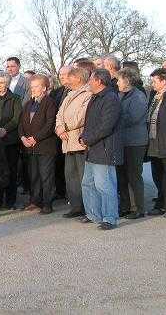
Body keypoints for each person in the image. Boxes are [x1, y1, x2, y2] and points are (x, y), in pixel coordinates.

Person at [79, 69, 122, 230]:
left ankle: (110, 218)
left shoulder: (110, 98)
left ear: (98, 81)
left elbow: (106, 126)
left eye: (91, 79)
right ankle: (93, 214)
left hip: (104, 149)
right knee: (88, 183)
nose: (88, 82)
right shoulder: (95, 97)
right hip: (92, 149)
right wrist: (82, 136)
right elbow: (89, 123)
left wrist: (88, 139)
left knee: (105, 185)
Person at [55, 66, 92, 218]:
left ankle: (87, 208)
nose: (66, 79)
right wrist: (59, 128)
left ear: (78, 78)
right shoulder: (69, 94)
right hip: (67, 141)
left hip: (79, 141)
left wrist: (65, 127)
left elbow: (81, 118)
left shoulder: (88, 94)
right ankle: (76, 207)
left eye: (70, 76)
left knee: (83, 176)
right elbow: (59, 114)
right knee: (70, 176)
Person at [18, 74, 57, 214]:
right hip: (30, 147)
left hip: (45, 146)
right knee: (34, 176)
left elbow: (50, 124)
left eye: (36, 87)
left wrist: (35, 138)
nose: (32, 89)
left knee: (46, 176)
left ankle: (47, 203)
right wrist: (23, 137)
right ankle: (35, 201)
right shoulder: (29, 104)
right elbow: (21, 123)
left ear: (44, 88)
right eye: (31, 87)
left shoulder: (49, 102)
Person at [116, 67, 148, 219]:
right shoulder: (120, 95)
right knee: (121, 176)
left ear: (127, 80)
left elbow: (133, 118)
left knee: (134, 176)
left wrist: (113, 119)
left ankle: (139, 209)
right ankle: (125, 206)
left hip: (135, 142)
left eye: (119, 80)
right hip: (122, 141)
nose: (117, 83)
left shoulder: (138, 96)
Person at [0, 71, 23, 209]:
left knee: (11, 171)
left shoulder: (15, 99)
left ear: (7, 84)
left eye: (1, 83)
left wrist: (4, 129)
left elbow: (16, 118)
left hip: (10, 140)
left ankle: (10, 201)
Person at [147, 68, 166, 218]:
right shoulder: (157, 97)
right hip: (155, 142)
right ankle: (161, 203)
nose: (152, 84)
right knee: (158, 176)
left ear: (164, 81)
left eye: (154, 81)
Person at [50, 65, 73, 200]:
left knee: (69, 167)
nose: (62, 77)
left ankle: (70, 193)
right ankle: (60, 191)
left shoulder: (76, 91)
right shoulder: (57, 92)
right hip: (56, 133)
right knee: (58, 164)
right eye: (60, 75)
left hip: (69, 133)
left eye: (65, 74)